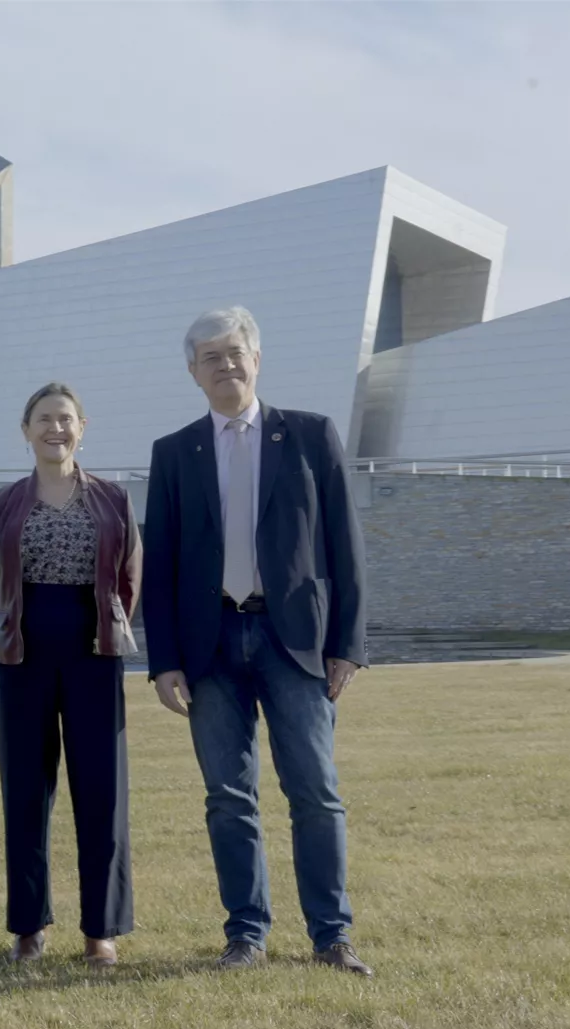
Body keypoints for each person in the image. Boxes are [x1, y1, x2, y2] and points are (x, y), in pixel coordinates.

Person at [143, 306, 375, 977]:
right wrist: (163, 663)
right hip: (208, 642)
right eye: (211, 357)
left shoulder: (308, 435)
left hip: (295, 639)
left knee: (316, 791)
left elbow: (345, 546)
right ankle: (246, 934)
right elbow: (159, 565)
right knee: (228, 796)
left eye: (236, 352)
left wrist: (349, 643)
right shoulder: (174, 452)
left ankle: (331, 936)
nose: (227, 365)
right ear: (193, 372)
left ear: (257, 357)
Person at [0, 383, 140, 970]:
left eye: (65, 419)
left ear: (82, 427)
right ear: (26, 430)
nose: (55, 428)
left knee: (101, 789)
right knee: (25, 788)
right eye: (44, 419)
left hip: (94, 647)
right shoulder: (2, 503)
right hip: (22, 648)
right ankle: (27, 926)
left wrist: (108, 628)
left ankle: (101, 929)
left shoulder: (114, 499)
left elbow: (127, 580)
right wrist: (1, 626)